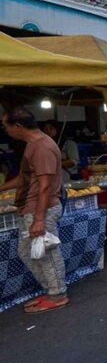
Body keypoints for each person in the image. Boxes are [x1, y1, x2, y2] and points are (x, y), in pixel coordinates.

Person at [0, 108, 67, 313]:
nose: (5, 130)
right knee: (28, 252)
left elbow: (45, 185)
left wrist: (39, 219)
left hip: (40, 207)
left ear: (17, 126)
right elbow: (26, 178)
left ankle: (57, 294)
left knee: (45, 252)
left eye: (6, 125)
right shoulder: (34, 145)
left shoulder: (42, 147)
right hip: (31, 206)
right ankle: (51, 290)